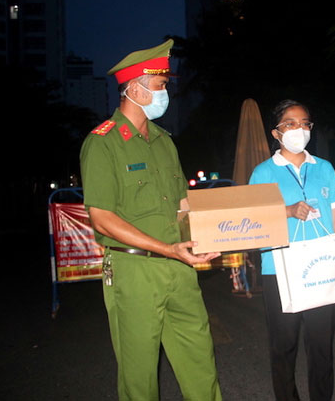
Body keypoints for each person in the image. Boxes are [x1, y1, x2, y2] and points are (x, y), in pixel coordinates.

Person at [79, 39, 223, 401]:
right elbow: (101, 217)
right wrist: (167, 248)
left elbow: (182, 204)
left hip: (179, 268)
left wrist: (205, 239)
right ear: (134, 88)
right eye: (159, 86)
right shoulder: (103, 144)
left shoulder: (163, 141)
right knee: (139, 375)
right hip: (134, 272)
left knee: (200, 363)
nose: (165, 93)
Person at [248, 100, 335, 401]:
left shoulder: (325, 169)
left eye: (305, 123)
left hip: (323, 267)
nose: (299, 129)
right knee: (284, 346)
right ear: (276, 133)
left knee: (321, 347)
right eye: (290, 123)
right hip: (279, 270)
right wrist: (288, 210)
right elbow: (252, 223)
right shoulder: (263, 172)